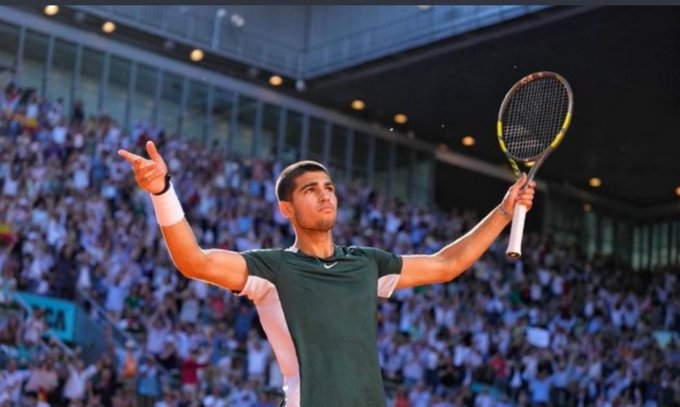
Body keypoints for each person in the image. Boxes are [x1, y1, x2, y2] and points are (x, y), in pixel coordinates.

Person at [118, 141, 536, 407]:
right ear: (286, 209)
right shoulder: (272, 269)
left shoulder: (367, 263)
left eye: (329, 187)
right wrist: (162, 192)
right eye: (311, 189)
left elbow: (446, 265)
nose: (325, 195)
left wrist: (503, 211)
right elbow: (194, 261)